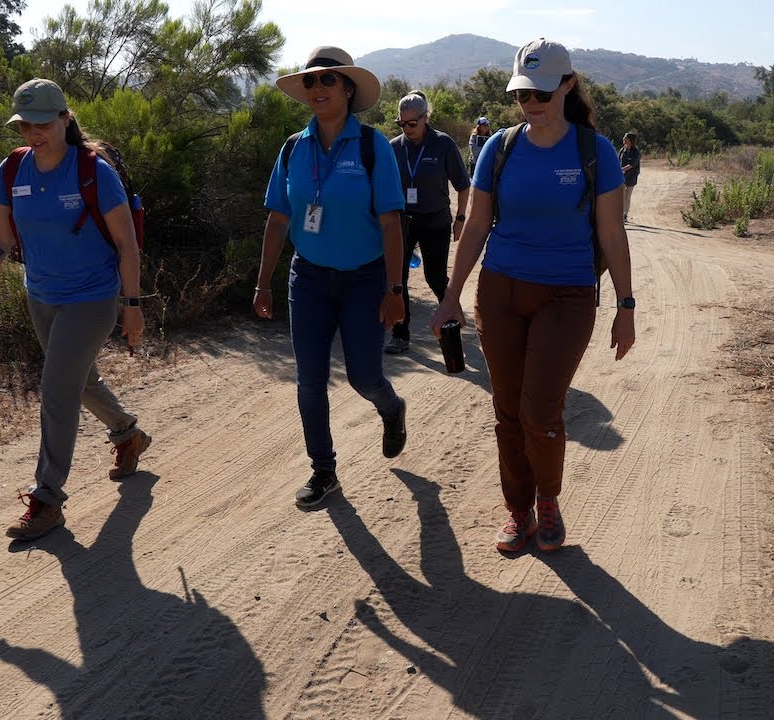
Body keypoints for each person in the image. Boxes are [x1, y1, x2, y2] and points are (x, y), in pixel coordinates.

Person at [430, 38, 635, 553]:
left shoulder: (595, 152)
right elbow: (476, 226)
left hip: (567, 295)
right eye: (523, 94)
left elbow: (612, 235)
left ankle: (547, 499)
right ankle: (518, 508)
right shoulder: (499, 148)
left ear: (568, 85)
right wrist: (451, 296)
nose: (531, 103)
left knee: (539, 411)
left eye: (542, 93)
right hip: (501, 291)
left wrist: (625, 306)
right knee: (506, 408)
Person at [0, 78, 152, 541]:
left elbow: (127, 244)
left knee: (57, 390)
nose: (33, 133)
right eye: (25, 125)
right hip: (41, 295)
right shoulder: (12, 169)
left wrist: (132, 305)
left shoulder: (94, 172)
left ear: (64, 118)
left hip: (92, 297)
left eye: (42, 123)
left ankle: (47, 498)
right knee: (80, 381)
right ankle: (127, 434)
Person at [255, 46, 409, 509]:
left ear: (348, 90)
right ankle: (324, 470)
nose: (317, 88)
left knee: (365, 378)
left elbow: (391, 224)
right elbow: (278, 218)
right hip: (308, 280)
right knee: (310, 380)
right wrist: (263, 283)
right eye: (310, 81)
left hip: (364, 280)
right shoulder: (293, 148)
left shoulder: (372, 146)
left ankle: (392, 407)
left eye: (328, 79)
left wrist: (395, 289)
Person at [385, 91, 471, 355]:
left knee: (435, 277)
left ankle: (450, 321)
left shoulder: (443, 144)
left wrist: (460, 218)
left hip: (435, 220)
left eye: (412, 123)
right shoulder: (393, 147)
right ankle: (400, 334)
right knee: (397, 278)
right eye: (402, 123)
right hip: (403, 221)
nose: (407, 128)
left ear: (426, 118)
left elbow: (463, 185)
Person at [619, 132, 641, 223]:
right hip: (622, 176)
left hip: (631, 177)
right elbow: (618, 161)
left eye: (625, 138)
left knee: (627, 196)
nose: (623, 139)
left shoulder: (636, 152)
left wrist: (621, 169)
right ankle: (621, 214)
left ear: (630, 140)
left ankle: (625, 215)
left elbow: (632, 165)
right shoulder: (622, 150)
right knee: (622, 196)